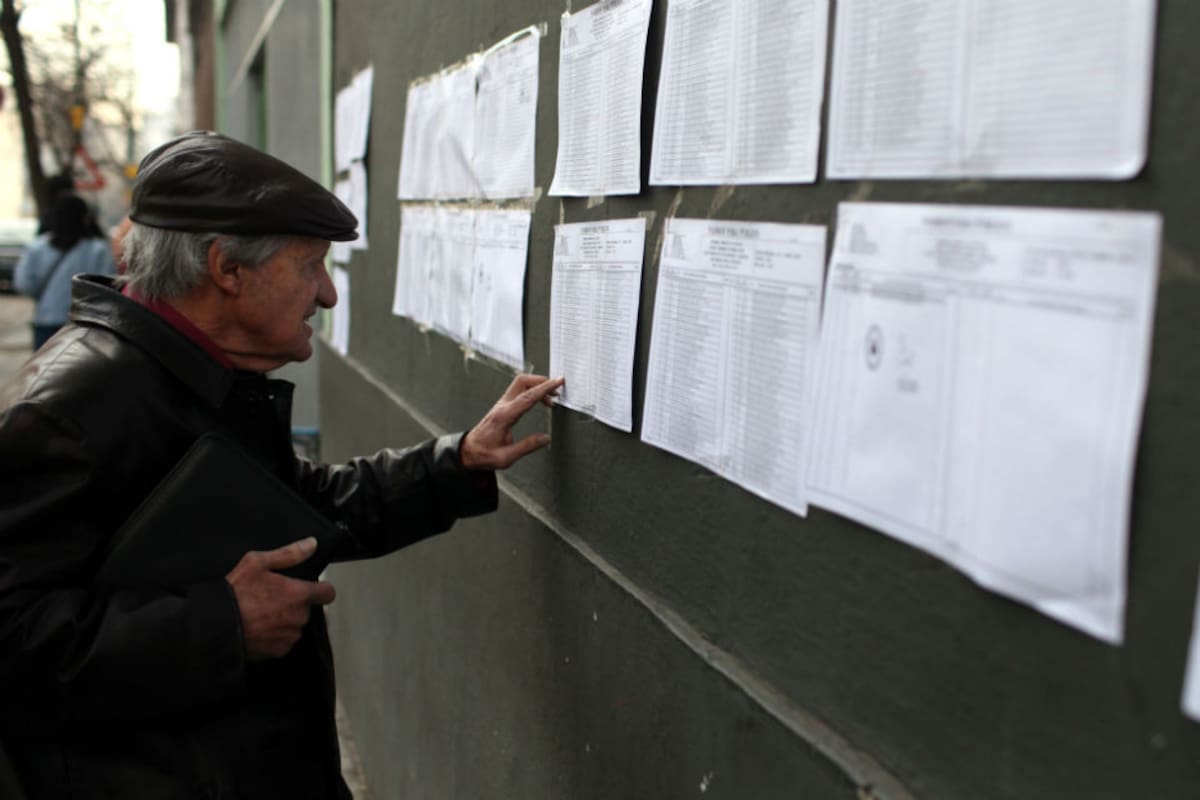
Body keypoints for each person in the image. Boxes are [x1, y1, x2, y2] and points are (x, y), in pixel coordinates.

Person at [0, 131, 564, 799]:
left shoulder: (189, 374)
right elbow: (12, 639)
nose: (326, 294)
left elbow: (297, 511)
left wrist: (458, 459)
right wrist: (223, 624)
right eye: (310, 266)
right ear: (227, 269)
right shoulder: (75, 405)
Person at [14, 194, 116, 348]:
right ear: (84, 218)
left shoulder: (37, 247)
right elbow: (108, 287)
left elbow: (23, 284)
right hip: (83, 326)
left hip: (45, 322)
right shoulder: (97, 250)